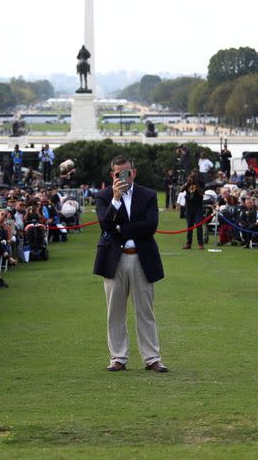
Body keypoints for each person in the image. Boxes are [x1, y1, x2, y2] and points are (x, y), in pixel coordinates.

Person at [93, 155, 167, 373]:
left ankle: (152, 357)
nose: (123, 177)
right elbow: (105, 225)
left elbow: (151, 225)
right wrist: (116, 200)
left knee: (145, 311)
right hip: (114, 259)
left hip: (141, 258)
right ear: (112, 175)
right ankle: (118, 357)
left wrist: (121, 229)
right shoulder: (104, 197)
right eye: (118, 173)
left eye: (127, 172)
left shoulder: (148, 195)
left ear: (134, 172)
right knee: (114, 311)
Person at [180, 170, 206, 250]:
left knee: (199, 225)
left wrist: (196, 184)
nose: (193, 177)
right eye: (192, 175)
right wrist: (188, 182)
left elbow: (202, 193)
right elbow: (181, 190)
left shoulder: (201, 182)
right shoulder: (187, 181)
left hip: (198, 207)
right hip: (189, 207)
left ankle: (200, 244)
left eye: (194, 176)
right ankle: (188, 243)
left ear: (197, 175)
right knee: (189, 226)